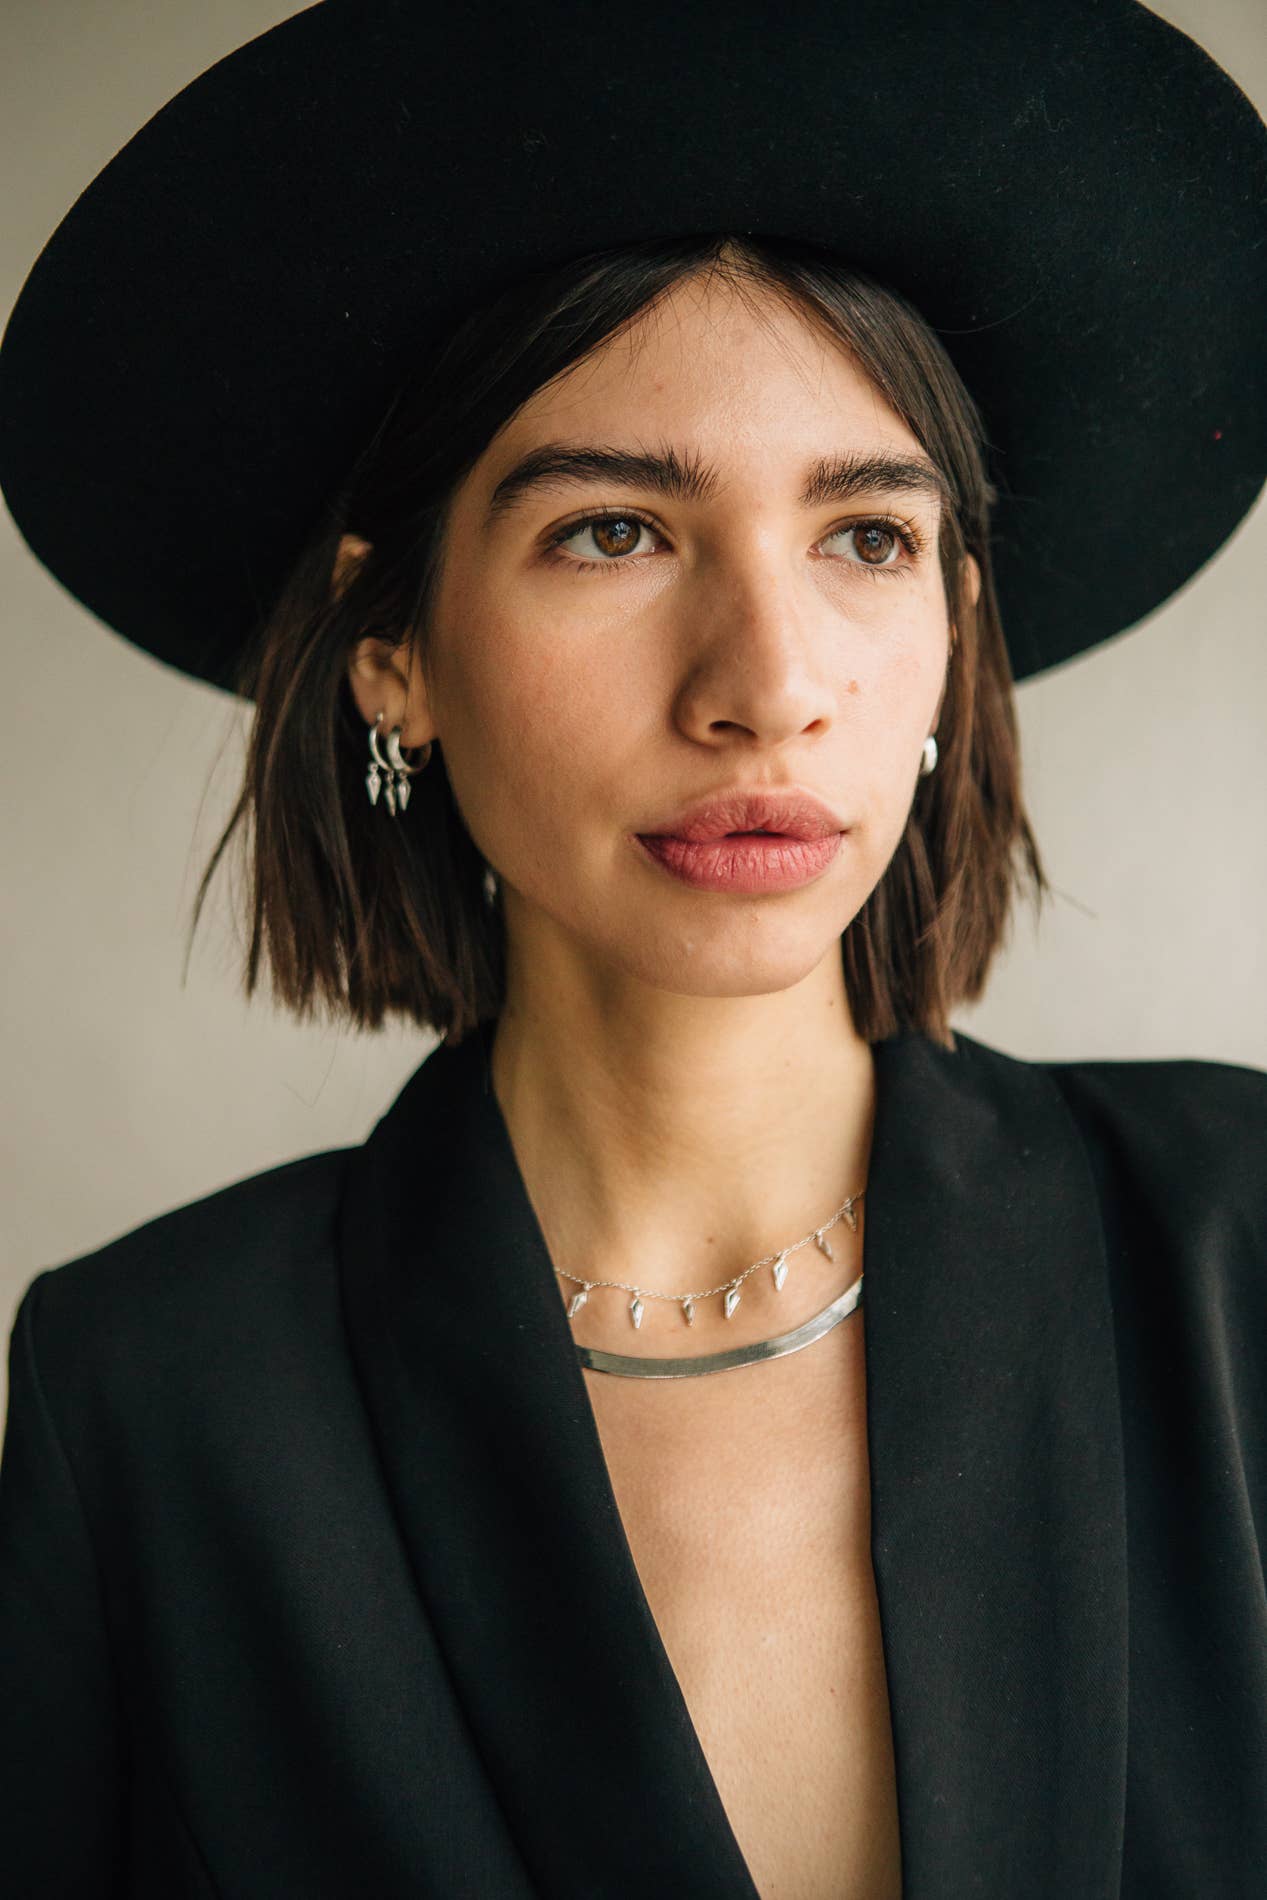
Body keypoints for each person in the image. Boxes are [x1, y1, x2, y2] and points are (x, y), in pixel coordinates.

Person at [1, 4, 1265, 1897]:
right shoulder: (151, 1398)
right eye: (613, 531)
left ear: (955, 632)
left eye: (866, 538)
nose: (770, 690)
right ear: (393, 652)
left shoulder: (1239, 1250)